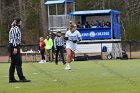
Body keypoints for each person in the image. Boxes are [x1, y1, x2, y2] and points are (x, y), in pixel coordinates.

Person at [8, 16, 31, 83]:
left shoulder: (13, 28)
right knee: (18, 63)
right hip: (14, 46)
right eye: (20, 21)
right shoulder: (16, 28)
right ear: (18, 22)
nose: (21, 22)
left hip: (12, 46)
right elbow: (14, 38)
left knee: (13, 63)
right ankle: (21, 78)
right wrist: (15, 47)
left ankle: (11, 79)